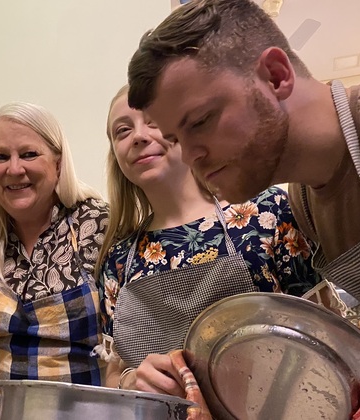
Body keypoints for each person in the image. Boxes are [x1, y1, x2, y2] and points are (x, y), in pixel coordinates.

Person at [125, 0, 360, 357]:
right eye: (177, 139)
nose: (190, 156)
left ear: (276, 76)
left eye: (201, 121)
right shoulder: (305, 199)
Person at [95, 85, 320, 396]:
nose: (138, 136)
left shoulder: (266, 212)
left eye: (153, 122)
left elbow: (327, 330)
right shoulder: (119, 260)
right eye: (122, 131)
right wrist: (132, 381)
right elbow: (113, 373)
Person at [0, 102, 108, 420]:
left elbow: (127, 343)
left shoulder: (100, 226)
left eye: (29, 154)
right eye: (0, 156)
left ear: (58, 163)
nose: (14, 169)